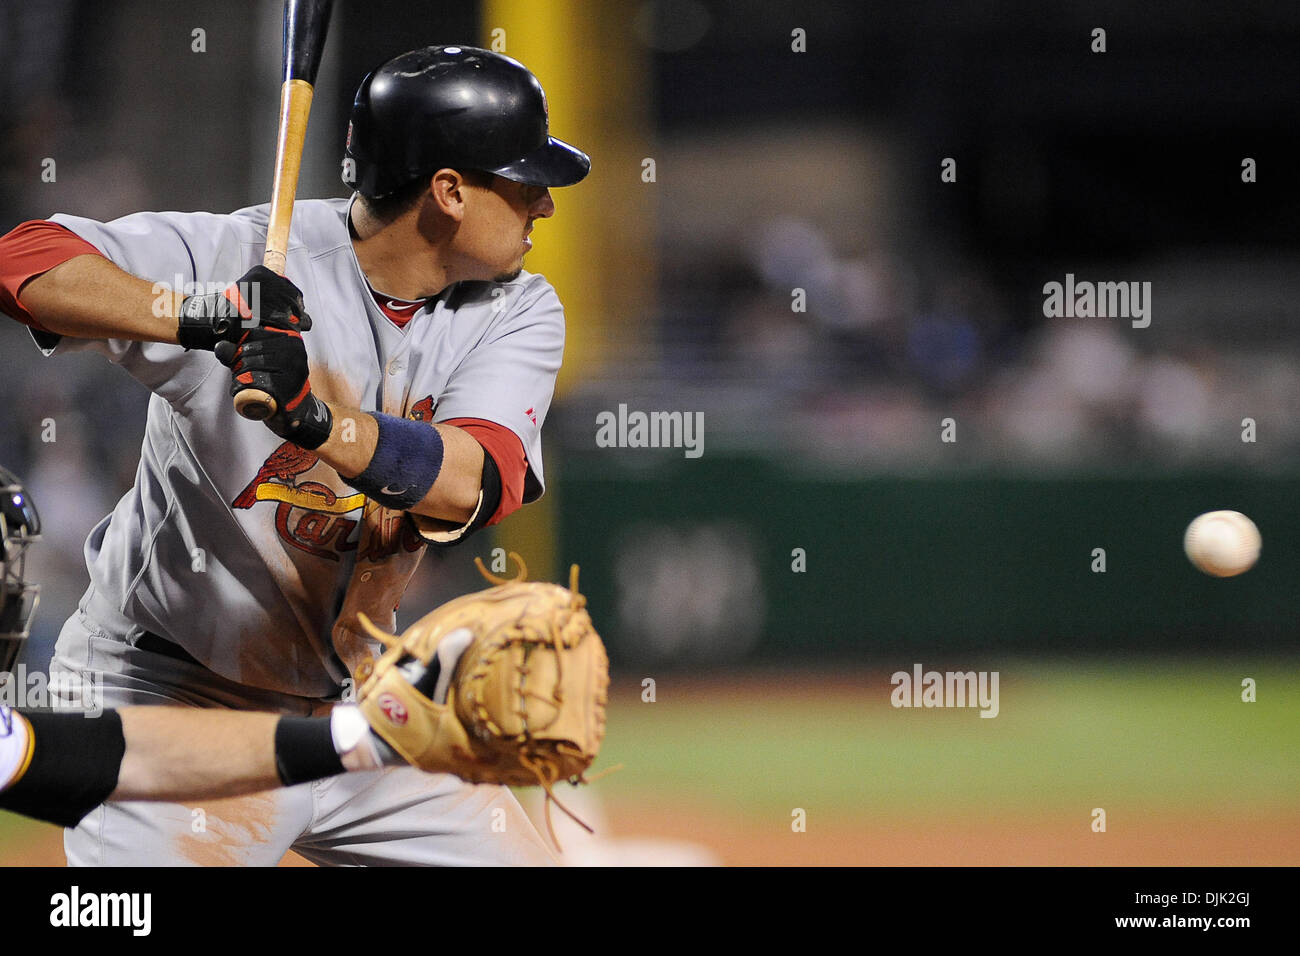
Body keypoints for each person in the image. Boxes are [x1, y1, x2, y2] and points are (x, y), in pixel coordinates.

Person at [0, 45, 589, 865]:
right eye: (524, 181)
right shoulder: (248, 254)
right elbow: (21, 262)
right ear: (450, 191)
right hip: (165, 700)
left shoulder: (517, 307)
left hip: (358, 714)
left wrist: (316, 421)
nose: (544, 206)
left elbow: (474, 482)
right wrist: (205, 316)